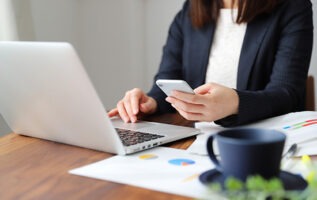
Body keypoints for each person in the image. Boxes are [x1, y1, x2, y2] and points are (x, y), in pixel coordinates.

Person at [108, 0, 313, 127]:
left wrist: (235, 103)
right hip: (195, 140)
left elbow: (287, 94)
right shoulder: (190, 11)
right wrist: (151, 102)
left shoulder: (293, 7)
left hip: (258, 144)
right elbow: (167, 81)